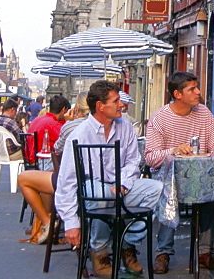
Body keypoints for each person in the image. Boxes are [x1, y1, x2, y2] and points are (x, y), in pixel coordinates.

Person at [55, 80, 162, 278]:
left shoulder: (125, 127)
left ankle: (127, 245)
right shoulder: (80, 134)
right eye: (116, 101)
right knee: (101, 192)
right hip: (93, 190)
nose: (121, 104)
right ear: (100, 106)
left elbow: (133, 161)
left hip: (120, 188)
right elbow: (67, 181)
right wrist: (70, 222)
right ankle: (100, 252)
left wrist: (123, 183)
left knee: (155, 188)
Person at [144, 71, 214, 274]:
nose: (198, 92)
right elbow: (151, 157)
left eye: (197, 87)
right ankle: (163, 252)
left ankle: (206, 251)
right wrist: (172, 151)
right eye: (192, 89)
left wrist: (211, 156)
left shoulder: (204, 113)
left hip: (200, 174)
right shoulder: (160, 118)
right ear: (177, 94)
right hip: (168, 175)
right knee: (167, 191)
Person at [17, 93, 90, 246]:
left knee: (28, 179)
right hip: (94, 181)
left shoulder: (42, 119)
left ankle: (48, 222)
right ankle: (49, 221)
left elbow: (58, 149)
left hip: (54, 169)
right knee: (48, 177)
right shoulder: (108, 126)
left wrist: (68, 123)